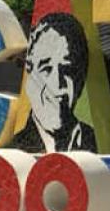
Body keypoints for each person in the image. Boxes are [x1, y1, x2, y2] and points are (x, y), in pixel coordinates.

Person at [14, 12, 97, 153]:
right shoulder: (14, 148)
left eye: (68, 70)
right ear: (28, 71)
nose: (57, 85)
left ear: (81, 81)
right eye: (46, 68)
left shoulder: (99, 144)